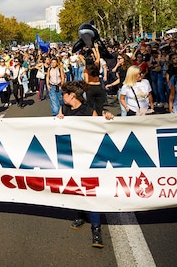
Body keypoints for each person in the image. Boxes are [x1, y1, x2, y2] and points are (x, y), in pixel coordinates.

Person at [57, 80, 114, 248]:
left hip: (89, 156)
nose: (62, 97)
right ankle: (81, 214)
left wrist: (107, 117)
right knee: (76, 187)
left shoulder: (89, 110)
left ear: (72, 95)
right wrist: (58, 119)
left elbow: (100, 129)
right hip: (72, 156)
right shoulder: (64, 108)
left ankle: (96, 229)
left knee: (90, 190)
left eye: (64, 94)